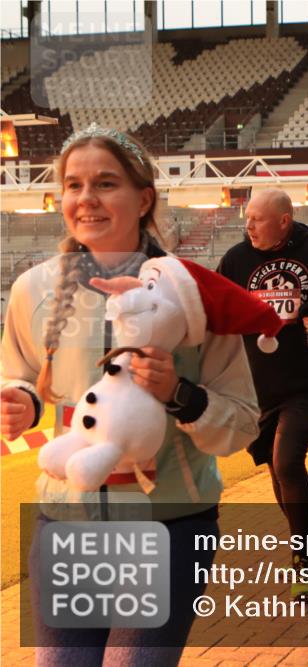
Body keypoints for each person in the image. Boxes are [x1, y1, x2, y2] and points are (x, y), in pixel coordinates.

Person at [1, 126, 260, 665]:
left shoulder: (193, 293)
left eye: (105, 183)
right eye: (73, 185)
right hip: (64, 526)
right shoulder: (32, 289)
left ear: (143, 199)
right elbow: (18, 374)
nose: (86, 199)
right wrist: (21, 400)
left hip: (165, 529)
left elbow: (241, 424)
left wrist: (181, 396)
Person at [217, 188, 308, 598]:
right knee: (274, 465)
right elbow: (218, 308)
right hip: (257, 389)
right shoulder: (236, 259)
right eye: (247, 218)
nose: (248, 226)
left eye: (257, 219)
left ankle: (302, 555)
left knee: (287, 460)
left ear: (284, 220)